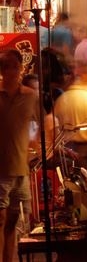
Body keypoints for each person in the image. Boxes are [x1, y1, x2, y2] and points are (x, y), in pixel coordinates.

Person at [0, 49, 40, 262]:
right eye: (6, 66)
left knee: (12, 222)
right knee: (1, 218)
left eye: (14, 66)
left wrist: (32, 146)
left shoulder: (29, 96)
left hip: (20, 168)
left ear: (20, 68)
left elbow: (35, 124)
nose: (11, 71)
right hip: (1, 169)